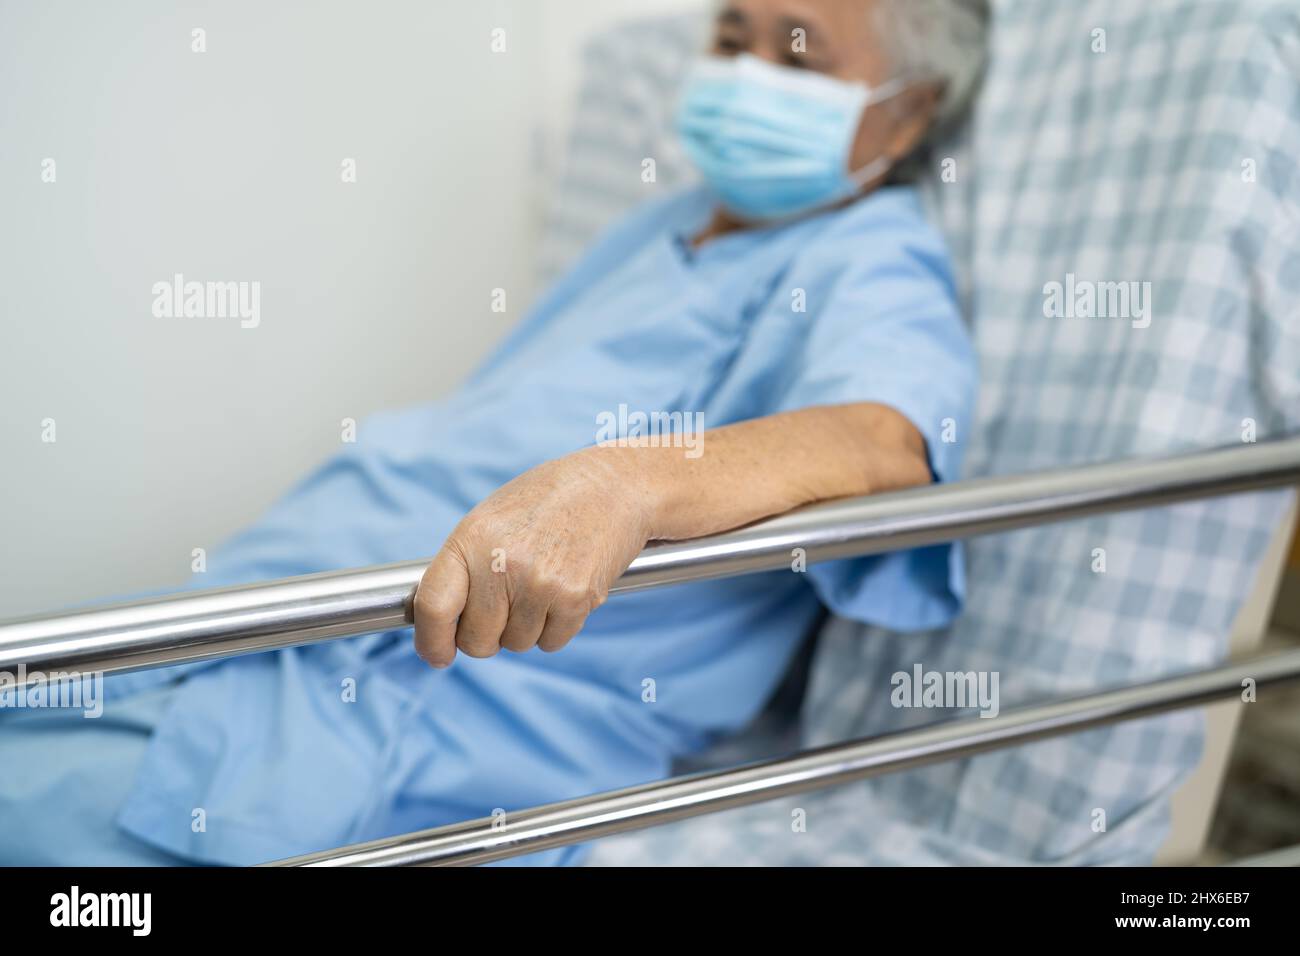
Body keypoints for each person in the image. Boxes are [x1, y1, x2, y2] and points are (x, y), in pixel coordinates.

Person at [0, 0, 987, 866]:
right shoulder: (664, 228)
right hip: (263, 608)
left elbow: (881, 444)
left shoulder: (872, 257)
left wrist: (621, 485)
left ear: (904, 112)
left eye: (799, 57)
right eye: (732, 39)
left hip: (395, 698)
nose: (746, 76)